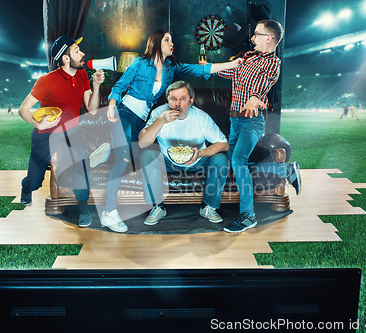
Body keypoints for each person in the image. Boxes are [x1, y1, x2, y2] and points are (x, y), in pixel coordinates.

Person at [100, 30, 241, 232]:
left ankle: (109, 149)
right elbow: (120, 85)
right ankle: (109, 212)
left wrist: (232, 65)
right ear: (156, 42)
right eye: (167, 39)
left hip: (141, 120)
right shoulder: (140, 63)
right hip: (126, 113)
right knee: (123, 158)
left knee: (137, 156)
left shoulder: (170, 68)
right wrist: (112, 103)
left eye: (172, 40)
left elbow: (200, 69)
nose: (171, 43)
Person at [217, 20, 301, 233]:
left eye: (256, 34)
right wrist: (210, 67)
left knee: (238, 160)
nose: (252, 38)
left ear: (269, 38)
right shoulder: (247, 57)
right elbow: (229, 74)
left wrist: (254, 98)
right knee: (235, 162)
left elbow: (263, 83)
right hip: (234, 120)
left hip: (251, 121)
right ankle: (285, 169)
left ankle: (248, 216)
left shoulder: (273, 63)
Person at [18, 35, 104, 228]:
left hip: (72, 133)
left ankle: (83, 209)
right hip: (45, 136)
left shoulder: (82, 76)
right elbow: (23, 109)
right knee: (34, 182)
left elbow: (92, 109)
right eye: (76, 51)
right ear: (65, 58)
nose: (82, 54)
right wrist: (38, 124)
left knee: (81, 163)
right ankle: (26, 188)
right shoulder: (46, 81)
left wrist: (96, 86)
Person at [138, 81, 229, 225]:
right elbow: (143, 143)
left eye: (183, 99)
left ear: (191, 101)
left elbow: (224, 144)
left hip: (196, 160)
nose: (177, 104)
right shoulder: (159, 113)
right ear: (167, 100)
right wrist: (161, 121)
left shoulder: (201, 117)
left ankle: (209, 207)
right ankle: (157, 207)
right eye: (173, 99)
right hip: (167, 161)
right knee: (147, 156)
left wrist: (200, 153)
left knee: (221, 159)